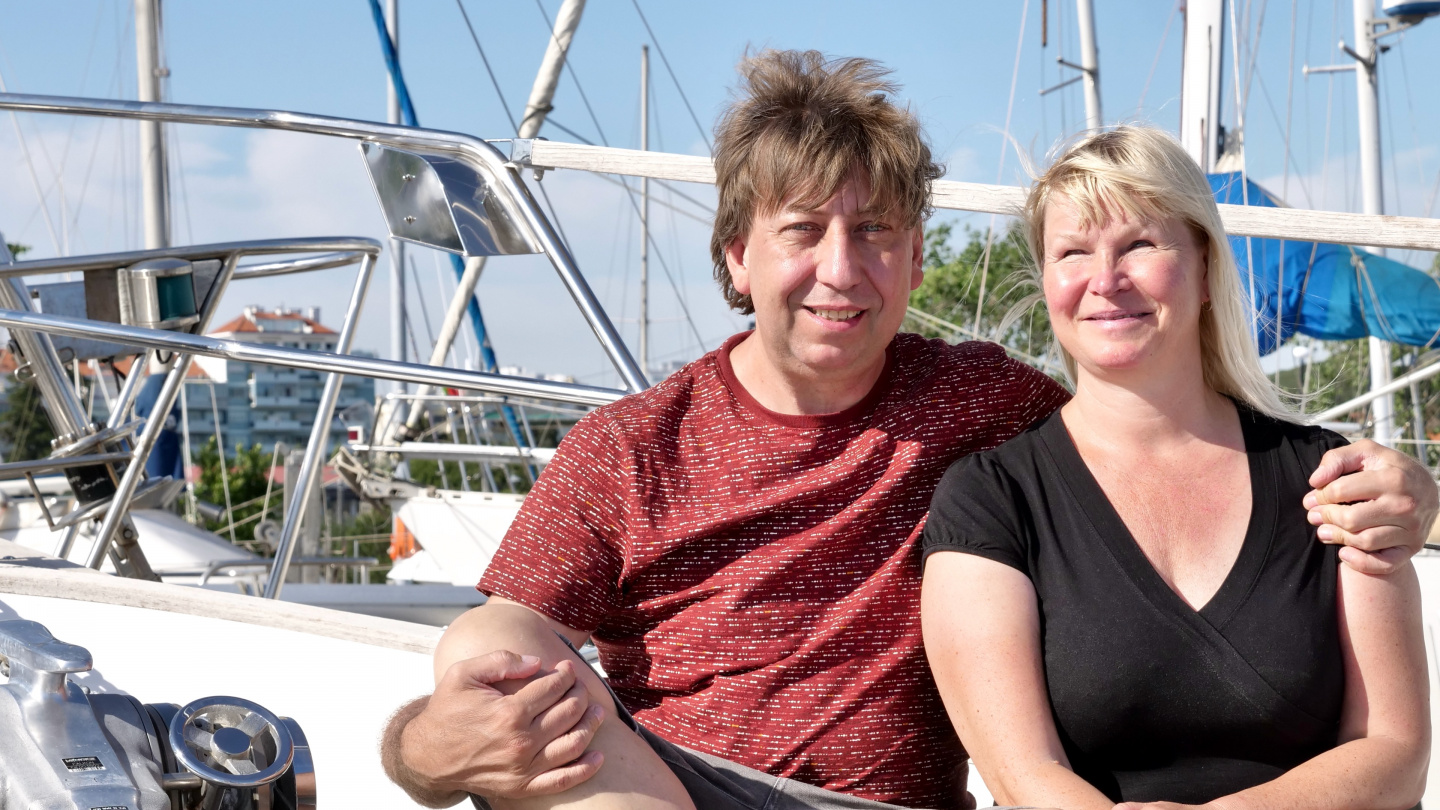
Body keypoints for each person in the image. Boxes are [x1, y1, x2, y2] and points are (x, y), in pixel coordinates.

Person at [382, 53, 1437, 810]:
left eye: (876, 233)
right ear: (737, 257)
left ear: (919, 261)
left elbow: (1143, 417)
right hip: (677, 784)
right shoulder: (629, 447)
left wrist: (1416, 493)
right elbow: (501, 638)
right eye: (802, 232)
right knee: (549, 732)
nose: (842, 271)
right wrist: (431, 746)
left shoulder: (987, 410)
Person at [921, 125, 1432, 810]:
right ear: (1047, 283)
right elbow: (1022, 777)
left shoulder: (1330, 481)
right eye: (1073, 252)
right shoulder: (993, 499)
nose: (1105, 281)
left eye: (1139, 244)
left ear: (1206, 270)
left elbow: (1394, 753)